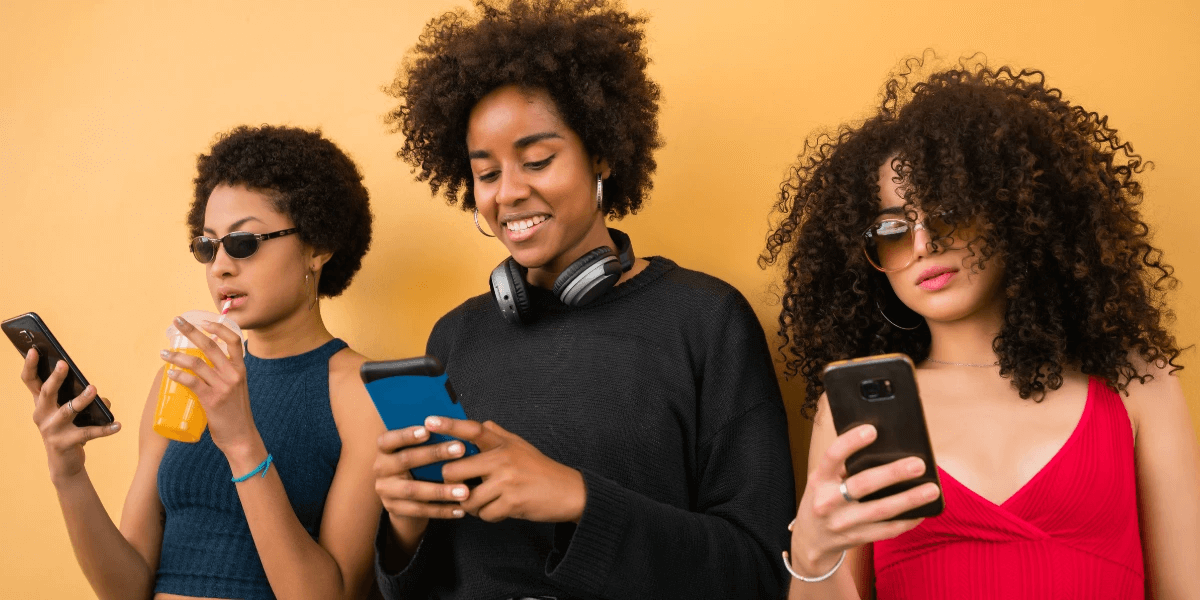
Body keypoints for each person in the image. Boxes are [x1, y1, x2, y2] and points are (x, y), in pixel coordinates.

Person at [371, 1, 796, 598]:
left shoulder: (706, 320)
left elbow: (759, 571)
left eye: (538, 160)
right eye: (487, 174)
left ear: (602, 153)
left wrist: (576, 499)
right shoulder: (456, 337)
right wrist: (406, 526)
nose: (510, 193)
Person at [761, 60, 1200, 598]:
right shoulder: (855, 410)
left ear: (1014, 211)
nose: (924, 244)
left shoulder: (1135, 384)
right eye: (893, 229)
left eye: (949, 211)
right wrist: (812, 550)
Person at [21, 125, 384, 600]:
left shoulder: (361, 392)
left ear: (317, 247)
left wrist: (240, 441)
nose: (220, 267)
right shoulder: (183, 377)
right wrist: (68, 472)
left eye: (244, 243)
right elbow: (125, 590)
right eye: (207, 246)